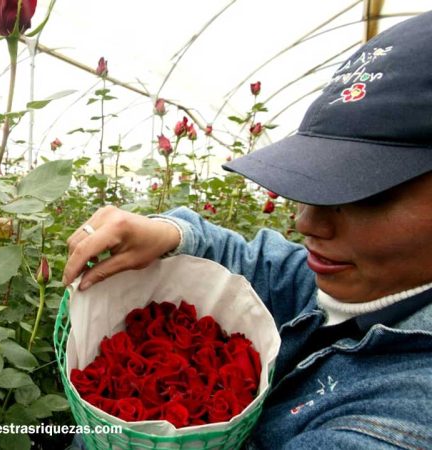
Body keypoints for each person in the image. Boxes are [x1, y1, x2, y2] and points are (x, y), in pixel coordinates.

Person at [63, 10, 432, 450]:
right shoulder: (363, 286)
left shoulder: (399, 420)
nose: (307, 222)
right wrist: (169, 233)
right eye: (318, 182)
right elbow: (263, 265)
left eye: (366, 194)